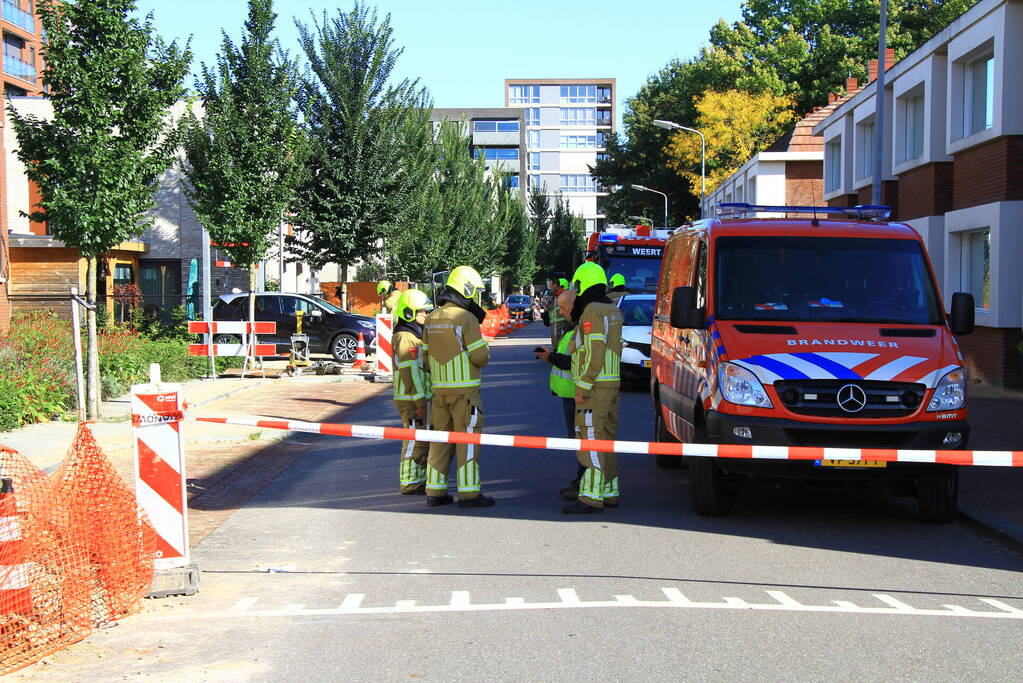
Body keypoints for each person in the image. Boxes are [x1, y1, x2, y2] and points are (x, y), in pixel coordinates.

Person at [421, 266, 495, 508]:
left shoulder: (431, 317)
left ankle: (435, 492)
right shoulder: (466, 318)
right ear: (467, 289)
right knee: (467, 442)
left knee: (439, 442)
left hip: (439, 393)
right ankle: (469, 494)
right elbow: (480, 357)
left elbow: (424, 359)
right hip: (465, 395)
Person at [563, 261, 623, 514]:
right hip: (611, 383)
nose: (575, 291)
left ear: (583, 284)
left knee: (590, 439)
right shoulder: (613, 310)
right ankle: (609, 491)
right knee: (606, 439)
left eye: (577, 286)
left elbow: (595, 351)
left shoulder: (591, 311)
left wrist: (583, 385)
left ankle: (590, 496)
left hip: (594, 387)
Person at [535, 289, 586, 489]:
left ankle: (584, 480)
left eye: (564, 308)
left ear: (576, 306)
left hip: (578, 395)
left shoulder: (581, 330)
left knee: (580, 439)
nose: (562, 312)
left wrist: (550, 357)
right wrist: (552, 354)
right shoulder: (572, 328)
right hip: (569, 394)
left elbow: (573, 362)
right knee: (576, 439)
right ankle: (582, 477)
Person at [391, 289, 434, 495]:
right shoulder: (406, 337)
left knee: (421, 438)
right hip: (411, 398)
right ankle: (409, 482)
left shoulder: (413, 334)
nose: (426, 315)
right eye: (422, 312)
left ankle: (418, 478)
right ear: (409, 313)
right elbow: (410, 372)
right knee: (414, 438)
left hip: (414, 396)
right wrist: (420, 401)